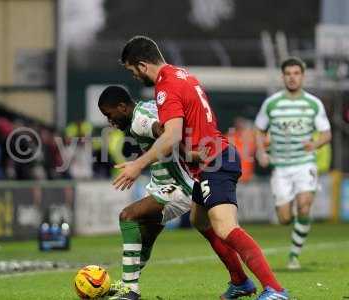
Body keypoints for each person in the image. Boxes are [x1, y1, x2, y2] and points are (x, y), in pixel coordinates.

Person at [113, 36, 288, 300]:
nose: (135, 77)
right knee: (199, 220)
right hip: (210, 157)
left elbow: (171, 135)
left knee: (226, 228)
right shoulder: (182, 75)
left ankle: (274, 289)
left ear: (141, 65)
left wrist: (138, 164)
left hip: (215, 161)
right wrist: (191, 150)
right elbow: (195, 123)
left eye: (132, 70)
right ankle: (240, 282)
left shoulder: (165, 87)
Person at [99, 86, 254, 300]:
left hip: (178, 186)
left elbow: (165, 132)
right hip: (165, 182)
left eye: (109, 114)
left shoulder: (139, 120)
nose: (110, 120)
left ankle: (130, 289)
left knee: (128, 216)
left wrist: (188, 155)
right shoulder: (145, 107)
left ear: (122, 107)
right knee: (146, 237)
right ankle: (128, 284)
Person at [255, 57, 332, 270]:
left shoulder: (313, 104)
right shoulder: (271, 103)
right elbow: (259, 130)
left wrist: (314, 144)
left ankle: (293, 256)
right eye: (288, 74)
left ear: (302, 76)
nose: (292, 77)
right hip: (280, 167)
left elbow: (326, 134)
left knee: (305, 206)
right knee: (284, 218)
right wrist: (261, 151)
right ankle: (291, 219)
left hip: (304, 163)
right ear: (283, 77)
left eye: (296, 73)